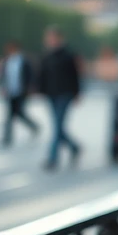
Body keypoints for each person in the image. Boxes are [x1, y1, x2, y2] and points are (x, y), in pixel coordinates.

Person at [37, 27, 82, 171]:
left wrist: (76, 93)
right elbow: (42, 76)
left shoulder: (68, 56)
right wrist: (40, 91)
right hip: (51, 95)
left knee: (57, 127)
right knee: (58, 127)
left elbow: (75, 76)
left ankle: (52, 159)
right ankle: (74, 147)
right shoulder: (46, 56)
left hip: (65, 94)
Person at [0, 40, 39, 146]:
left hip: (21, 92)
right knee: (9, 116)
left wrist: (30, 88)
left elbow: (30, 75)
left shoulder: (24, 61)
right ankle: (7, 138)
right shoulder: (6, 61)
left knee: (20, 112)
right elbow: (2, 75)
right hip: (10, 92)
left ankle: (33, 126)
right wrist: (2, 87)